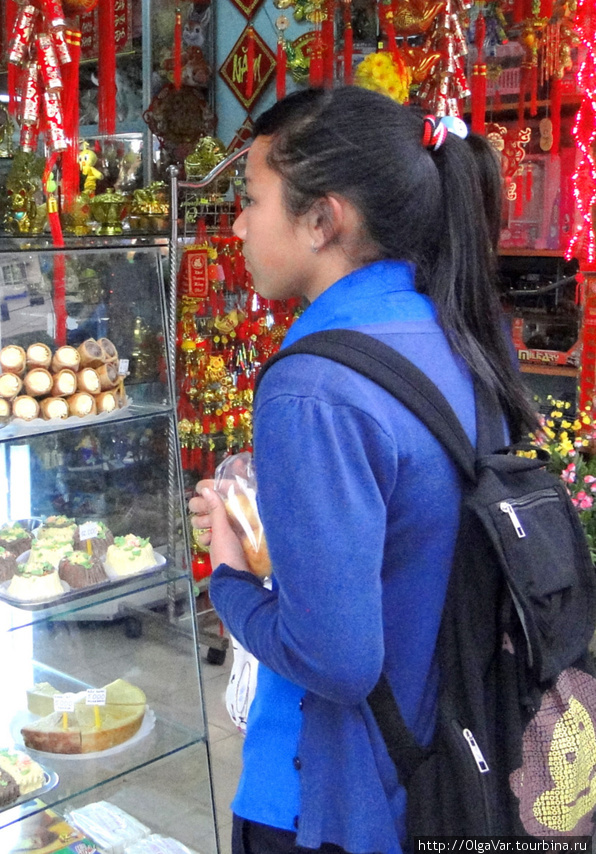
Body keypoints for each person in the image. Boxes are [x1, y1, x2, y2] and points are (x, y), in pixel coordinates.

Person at [188, 87, 537, 854]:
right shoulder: (467, 333)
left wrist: (229, 571)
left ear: (324, 218)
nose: (239, 225)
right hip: (461, 756)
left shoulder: (314, 384)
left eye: (252, 200)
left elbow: (335, 659)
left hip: (336, 798)